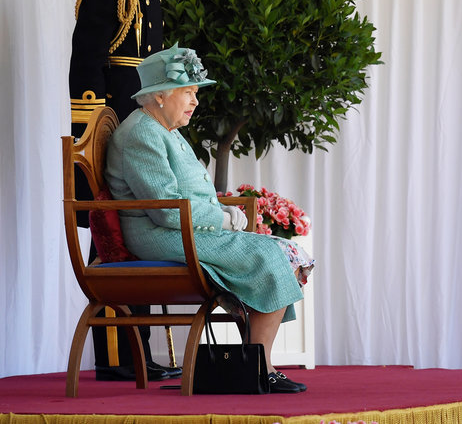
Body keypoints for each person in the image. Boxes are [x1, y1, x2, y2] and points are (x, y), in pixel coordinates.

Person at [104, 45, 314, 394]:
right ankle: (262, 368)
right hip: (161, 232)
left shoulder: (163, 128)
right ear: (159, 96)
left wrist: (222, 215)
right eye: (188, 93)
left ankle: (255, 366)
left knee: (285, 251)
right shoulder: (142, 133)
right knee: (271, 255)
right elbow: (166, 208)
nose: (195, 101)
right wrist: (225, 219)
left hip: (184, 227)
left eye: (194, 93)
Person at [68, 0, 177, 381]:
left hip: (138, 114)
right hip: (112, 118)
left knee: (135, 231)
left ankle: (136, 355)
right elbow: (87, 55)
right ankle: (117, 358)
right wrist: (93, 131)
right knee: (112, 235)